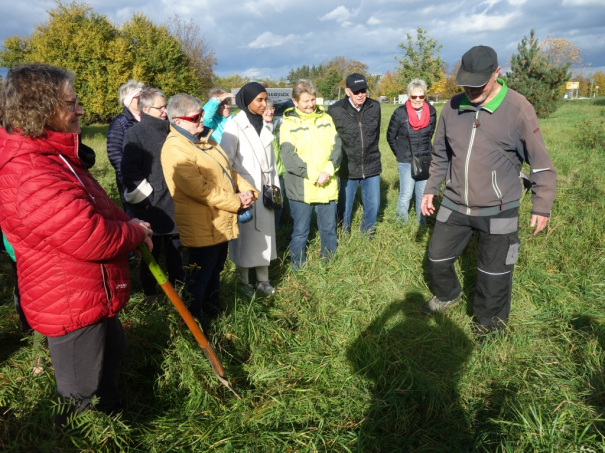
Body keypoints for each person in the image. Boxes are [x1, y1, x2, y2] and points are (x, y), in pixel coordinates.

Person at [0, 63, 153, 425]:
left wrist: (127, 221)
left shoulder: (56, 158)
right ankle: (83, 440)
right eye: (71, 103)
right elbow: (88, 235)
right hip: (67, 298)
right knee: (80, 395)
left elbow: (98, 204)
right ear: (41, 110)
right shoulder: (29, 170)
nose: (80, 110)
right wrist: (133, 234)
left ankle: (110, 425)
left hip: (88, 291)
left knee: (110, 361)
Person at [420, 46, 557, 333]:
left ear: (497, 73)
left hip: (500, 208)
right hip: (455, 205)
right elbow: (441, 154)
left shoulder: (518, 109)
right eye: (466, 82)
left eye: (478, 82)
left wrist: (542, 205)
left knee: (494, 275)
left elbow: (541, 163)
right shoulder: (452, 107)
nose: (471, 89)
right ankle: (448, 295)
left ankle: (489, 327)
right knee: (436, 259)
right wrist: (431, 188)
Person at [161, 94, 257, 323]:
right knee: (198, 279)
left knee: (215, 272)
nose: (202, 119)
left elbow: (229, 171)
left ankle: (213, 316)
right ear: (178, 121)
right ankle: (193, 327)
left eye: (201, 114)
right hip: (202, 226)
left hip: (219, 222)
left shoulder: (205, 139)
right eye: (195, 117)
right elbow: (199, 189)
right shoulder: (175, 149)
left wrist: (248, 191)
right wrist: (237, 202)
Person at [122, 87, 184, 303]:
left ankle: (179, 293)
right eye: (161, 107)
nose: (165, 111)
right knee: (152, 253)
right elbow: (130, 172)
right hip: (151, 206)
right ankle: (151, 295)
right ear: (146, 109)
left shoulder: (171, 130)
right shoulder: (135, 134)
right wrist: (147, 201)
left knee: (177, 252)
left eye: (165, 106)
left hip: (175, 201)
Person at [221, 82, 279, 296]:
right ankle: (243, 281)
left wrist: (274, 189)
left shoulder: (265, 124)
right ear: (246, 101)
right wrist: (236, 191)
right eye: (260, 100)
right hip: (245, 191)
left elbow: (270, 162)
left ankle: (263, 280)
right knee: (245, 236)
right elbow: (225, 161)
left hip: (265, 189)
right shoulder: (234, 126)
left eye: (265, 99)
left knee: (264, 235)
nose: (265, 104)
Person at [280, 79, 342, 270]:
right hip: (302, 188)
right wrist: (316, 175)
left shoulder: (326, 118)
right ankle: (298, 267)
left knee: (329, 230)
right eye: (305, 101)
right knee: (300, 231)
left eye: (313, 100)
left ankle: (329, 264)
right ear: (295, 101)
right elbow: (289, 158)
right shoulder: (287, 124)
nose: (310, 105)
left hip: (327, 184)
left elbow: (337, 147)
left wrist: (328, 171)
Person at [328, 73, 382, 235]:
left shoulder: (375, 107)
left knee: (373, 204)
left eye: (363, 90)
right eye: (357, 91)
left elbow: (376, 134)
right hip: (347, 167)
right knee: (344, 206)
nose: (361, 95)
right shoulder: (335, 110)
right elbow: (331, 139)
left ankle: (367, 233)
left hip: (371, 164)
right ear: (347, 91)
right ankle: (343, 233)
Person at [386, 78, 437, 224]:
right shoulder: (400, 113)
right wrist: (400, 154)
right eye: (414, 96)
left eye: (421, 96)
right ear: (409, 96)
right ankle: (401, 223)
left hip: (425, 159)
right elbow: (390, 136)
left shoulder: (432, 112)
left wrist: (427, 152)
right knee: (406, 193)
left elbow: (430, 135)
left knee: (422, 194)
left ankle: (421, 222)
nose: (418, 100)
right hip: (406, 161)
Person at [107, 80, 144, 215]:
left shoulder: (148, 119)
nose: (143, 99)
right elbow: (114, 153)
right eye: (139, 96)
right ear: (128, 99)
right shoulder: (120, 122)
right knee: (136, 216)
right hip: (131, 181)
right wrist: (129, 176)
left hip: (150, 176)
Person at [262, 98, 286, 230]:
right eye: (266, 109)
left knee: (278, 203)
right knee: (266, 204)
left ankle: (276, 230)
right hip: (266, 174)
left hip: (279, 171)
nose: (269, 111)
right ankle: (267, 230)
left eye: (271, 108)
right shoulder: (258, 127)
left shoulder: (276, 125)